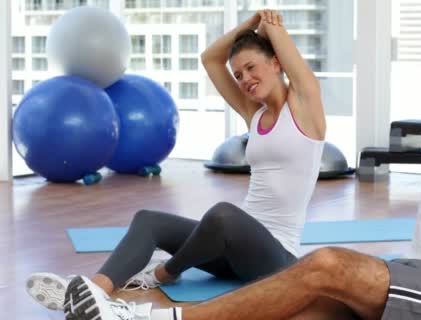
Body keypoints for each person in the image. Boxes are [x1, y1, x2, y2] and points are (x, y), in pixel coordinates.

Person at [61, 1, 421, 319]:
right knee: (298, 307)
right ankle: (104, 295)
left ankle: (163, 315)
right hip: (411, 275)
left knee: (327, 264)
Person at [27, 9, 326, 319]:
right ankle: (92, 292)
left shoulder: (305, 106)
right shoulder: (255, 113)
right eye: (238, 74)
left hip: (275, 259)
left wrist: (270, 24)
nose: (244, 79)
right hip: (235, 249)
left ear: (276, 63)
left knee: (223, 215)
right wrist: (249, 25)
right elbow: (211, 58)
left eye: (251, 67)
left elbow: (288, 58)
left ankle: (165, 272)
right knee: (148, 220)